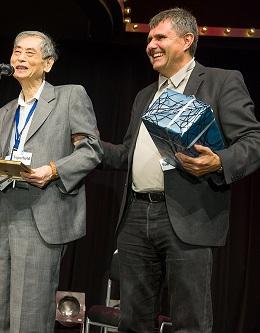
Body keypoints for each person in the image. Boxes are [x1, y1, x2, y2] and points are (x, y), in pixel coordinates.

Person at [101, 8, 260, 332]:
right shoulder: (145, 94)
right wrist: (90, 145)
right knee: (132, 321)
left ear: (188, 40)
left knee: (190, 321)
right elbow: (127, 154)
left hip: (187, 216)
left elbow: (252, 140)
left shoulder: (220, 81)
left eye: (160, 37)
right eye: (148, 39)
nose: (151, 45)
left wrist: (219, 161)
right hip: (135, 216)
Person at [0, 31, 102, 332]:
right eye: (17, 51)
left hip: (41, 210)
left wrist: (53, 169)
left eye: (30, 53)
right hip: (2, 211)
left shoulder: (69, 96)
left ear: (48, 63)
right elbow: (5, 162)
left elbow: (92, 151)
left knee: (29, 311)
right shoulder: (3, 113)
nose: (20, 58)